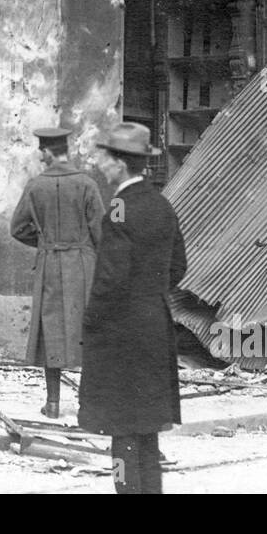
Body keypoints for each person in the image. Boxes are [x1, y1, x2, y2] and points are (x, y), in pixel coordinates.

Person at [78, 122, 185, 495]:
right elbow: (177, 268)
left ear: (121, 164)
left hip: (121, 333)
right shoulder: (162, 204)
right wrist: (148, 292)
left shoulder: (120, 208)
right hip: (155, 325)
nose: (101, 166)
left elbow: (110, 279)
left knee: (121, 430)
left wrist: (91, 323)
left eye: (104, 159)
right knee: (148, 430)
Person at [9, 126, 104, 418]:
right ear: (67, 150)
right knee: (87, 329)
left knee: (51, 330)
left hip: (50, 264)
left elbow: (17, 229)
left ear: (49, 153)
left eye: (42, 151)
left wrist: (44, 243)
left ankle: (52, 404)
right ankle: (88, 405)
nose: (40, 156)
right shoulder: (87, 184)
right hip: (83, 265)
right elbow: (100, 229)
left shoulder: (35, 186)